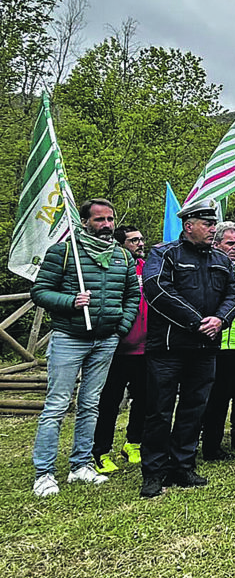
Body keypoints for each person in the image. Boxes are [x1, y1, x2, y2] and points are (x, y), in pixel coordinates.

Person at [30, 199, 141, 497]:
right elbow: (39, 291)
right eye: (99, 220)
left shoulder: (122, 257)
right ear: (84, 222)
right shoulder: (64, 252)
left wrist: (120, 327)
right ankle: (44, 472)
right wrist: (70, 302)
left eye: (110, 219)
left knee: (91, 404)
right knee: (56, 405)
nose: (106, 225)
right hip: (69, 337)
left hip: (106, 339)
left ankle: (80, 465)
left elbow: (132, 295)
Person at [139, 199, 235, 498]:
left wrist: (220, 319)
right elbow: (156, 289)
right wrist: (196, 321)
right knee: (159, 410)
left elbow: (233, 294)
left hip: (205, 347)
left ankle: (182, 465)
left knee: (194, 408)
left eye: (213, 224)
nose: (213, 229)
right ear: (189, 226)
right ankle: (154, 472)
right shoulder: (164, 253)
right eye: (208, 224)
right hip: (168, 348)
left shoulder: (221, 260)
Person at [91, 225, 148, 475]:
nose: (140, 243)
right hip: (115, 348)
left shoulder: (147, 268)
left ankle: (133, 443)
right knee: (109, 403)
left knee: (144, 400)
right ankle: (100, 451)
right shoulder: (112, 269)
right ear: (120, 244)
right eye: (134, 240)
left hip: (145, 348)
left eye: (141, 239)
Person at [201, 222, 235, 460]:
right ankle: (203, 440)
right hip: (212, 340)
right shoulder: (206, 268)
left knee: (232, 393)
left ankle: (225, 440)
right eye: (229, 243)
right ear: (216, 244)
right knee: (209, 396)